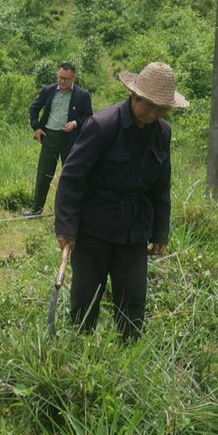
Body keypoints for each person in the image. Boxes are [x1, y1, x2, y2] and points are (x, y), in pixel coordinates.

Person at [54, 62, 187, 340]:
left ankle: (129, 349)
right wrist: (66, 227)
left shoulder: (163, 133)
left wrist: (160, 230)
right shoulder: (103, 126)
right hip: (94, 228)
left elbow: (161, 185)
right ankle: (79, 345)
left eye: (161, 109)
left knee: (133, 297)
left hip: (135, 229)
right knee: (86, 295)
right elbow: (72, 177)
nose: (153, 114)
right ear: (135, 96)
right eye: (148, 106)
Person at [26, 63, 93, 216]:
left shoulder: (82, 95)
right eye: (60, 78)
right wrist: (36, 127)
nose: (62, 82)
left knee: (70, 175)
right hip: (49, 137)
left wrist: (76, 123)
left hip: (70, 140)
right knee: (44, 174)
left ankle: (68, 211)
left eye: (66, 79)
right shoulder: (48, 90)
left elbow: (89, 117)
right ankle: (36, 209)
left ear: (73, 78)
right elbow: (34, 108)